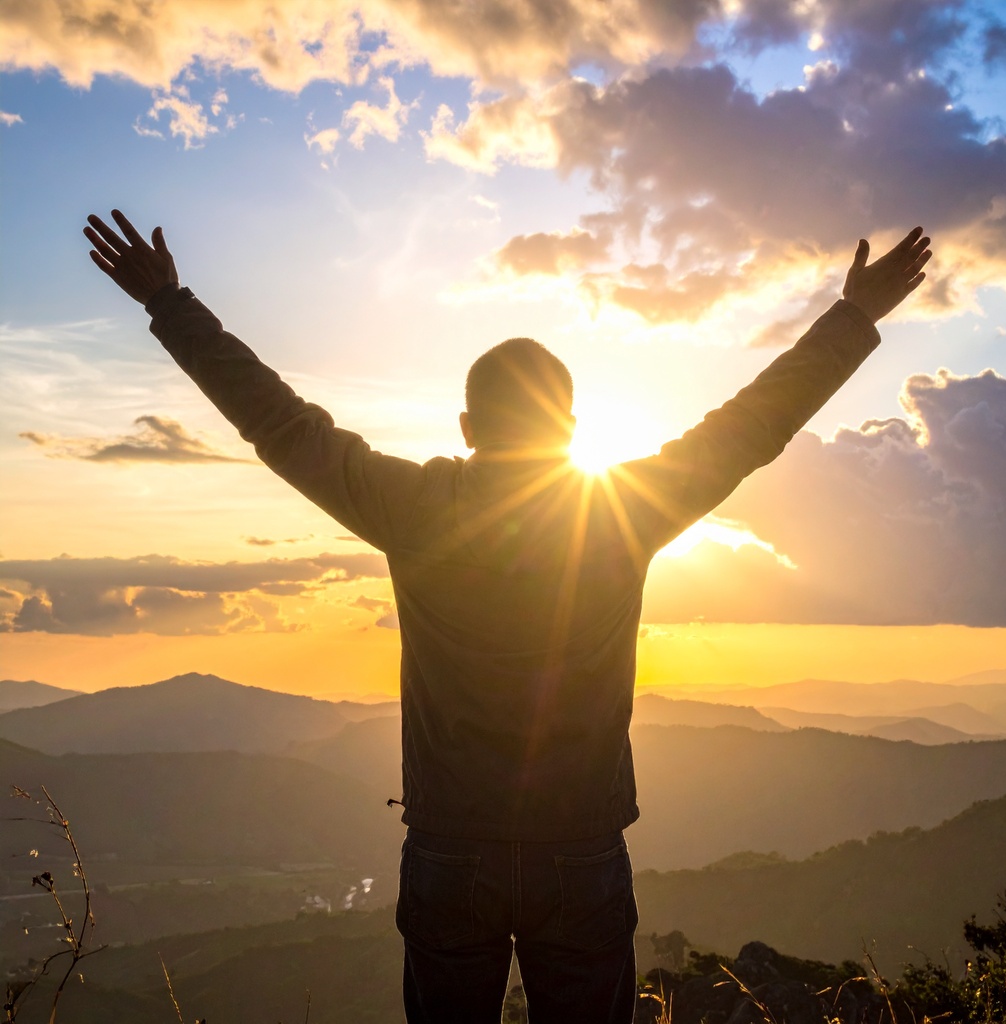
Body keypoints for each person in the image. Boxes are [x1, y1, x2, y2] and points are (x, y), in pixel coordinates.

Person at [83, 210, 931, 1024]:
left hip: (452, 849)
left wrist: (169, 302)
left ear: (466, 425)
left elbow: (278, 422)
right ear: (569, 429)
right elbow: (751, 427)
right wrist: (852, 317)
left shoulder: (411, 506)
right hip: (581, 850)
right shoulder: (623, 511)